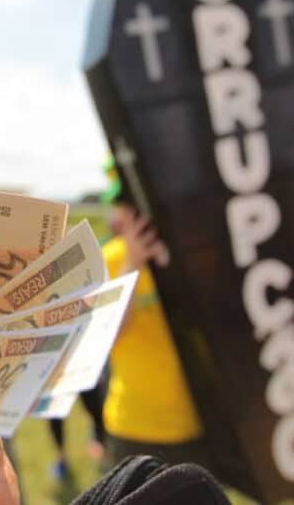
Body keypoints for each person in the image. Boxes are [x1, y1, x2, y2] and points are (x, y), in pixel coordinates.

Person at [98, 157, 207, 467]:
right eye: (126, 206)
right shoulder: (109, 259)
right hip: (133, 427)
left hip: (193, 424)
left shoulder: (192, 254)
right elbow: (105, 337)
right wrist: (132, 265)